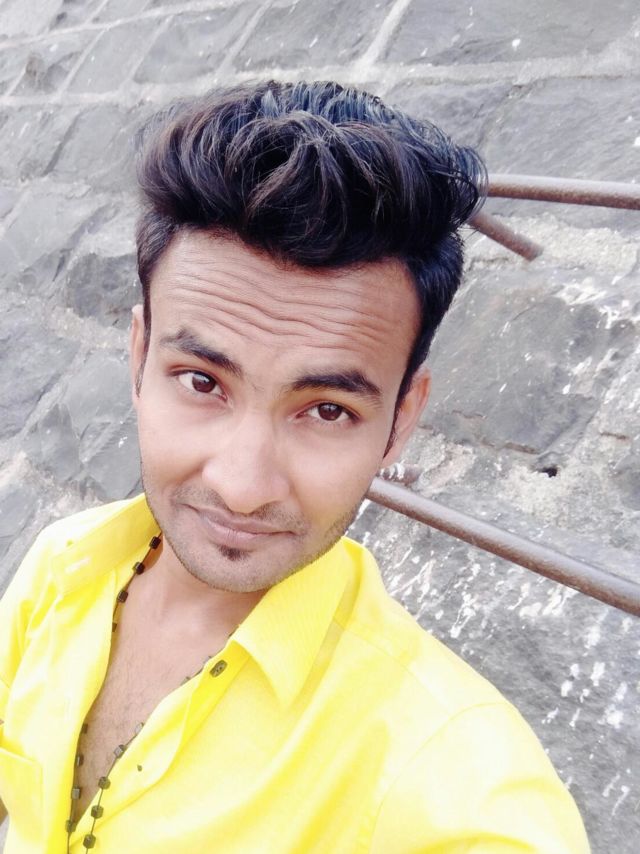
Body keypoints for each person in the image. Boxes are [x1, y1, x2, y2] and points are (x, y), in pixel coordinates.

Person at [0, 80, 589, 853]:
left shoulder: (455, 784)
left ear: (400, 421)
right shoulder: (66, 566)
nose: (242, 487)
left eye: (327, 411)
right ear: (139, 356)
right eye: (202, 382)